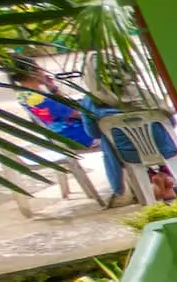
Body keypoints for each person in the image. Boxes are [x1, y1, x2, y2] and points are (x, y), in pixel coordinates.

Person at [11, 63, 128, 202]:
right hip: (73, 134)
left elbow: (65, 107)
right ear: (32, 73)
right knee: (118, 134)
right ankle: (126, 186)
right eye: (39, 69)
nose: (43, 71)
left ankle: (129, 183)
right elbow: (74, 112)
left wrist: (53, 88)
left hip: (64, 132)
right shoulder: (35, 98)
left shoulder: (25, 94)